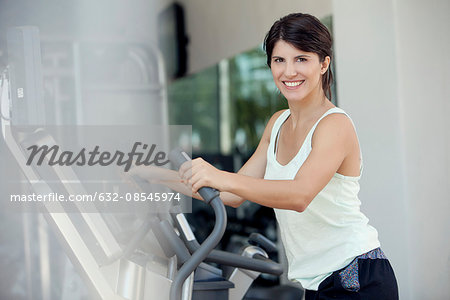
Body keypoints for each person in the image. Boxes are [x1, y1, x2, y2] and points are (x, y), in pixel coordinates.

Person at [133, 12, 399, 300]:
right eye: (279, 60)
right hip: (316, 282)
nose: (288, 72)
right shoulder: (277, 124)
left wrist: (218, 175)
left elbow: (299, 195)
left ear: (323, 64)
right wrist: (154, 174)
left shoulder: (335, 124)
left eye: (301, 59)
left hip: (356, 276)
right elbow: (232, 195)